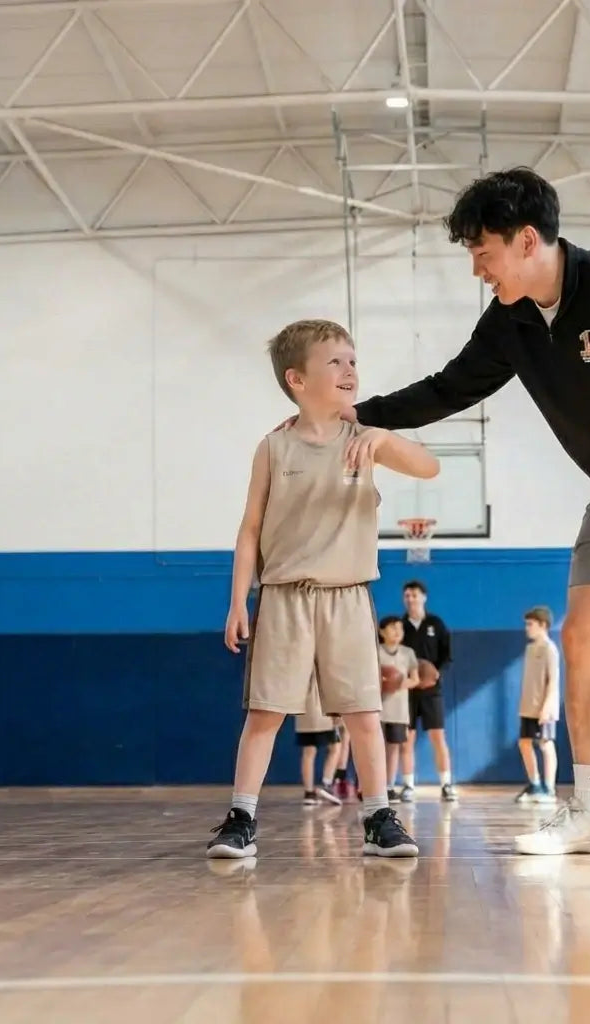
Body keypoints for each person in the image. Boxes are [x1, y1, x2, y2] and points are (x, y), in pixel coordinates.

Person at [348, 167, 590, 861]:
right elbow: (449, 388)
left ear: (527, 240)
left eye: (483, 252)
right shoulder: (511, 321)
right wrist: (356, 418)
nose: (478, 269)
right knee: (583, 640)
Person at [205, 318, 438, 860]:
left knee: (362, 712)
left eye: (353, 360)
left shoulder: (365, 439)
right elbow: (249, 530)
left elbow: (428, 466)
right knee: (265, 711)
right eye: (335, 361)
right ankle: (242, 818)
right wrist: (239, 599)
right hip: (284, 595)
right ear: (297, 380)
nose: (349, 370)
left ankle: (379, 815)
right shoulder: (273, 447)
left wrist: (384, 436)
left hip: (348, 594)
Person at [399, 580, 456, 802]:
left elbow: (447, 655)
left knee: (437, 737)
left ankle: (446, 783)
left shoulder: (436, 623)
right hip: (407, 690)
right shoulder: (399, 626)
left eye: (414, 595)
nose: (410, 599)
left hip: (432, 690)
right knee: (407, 739)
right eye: (407, 595)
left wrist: (436, 673)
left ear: (424, 597)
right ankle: (408, 785)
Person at [514, 605, 560, 805]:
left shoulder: (550, 649)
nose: (527, 628)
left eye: (530, 624)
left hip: (544, 708)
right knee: (524, 743)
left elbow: (554, 681)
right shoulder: (530, 648)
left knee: (546, 744)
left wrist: (547, 707)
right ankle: (535, 784)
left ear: (543, 625)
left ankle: (549, 789)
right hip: (528, 707)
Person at [376, 614, 420, 801]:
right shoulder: (375, 651)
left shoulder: (408, 653)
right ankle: (371, 786)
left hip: (398, 709)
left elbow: (416, 679)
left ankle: (389, 786)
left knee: (393, 748)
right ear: (381, 632)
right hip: (377, 708)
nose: (397, 631)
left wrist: (398, 684)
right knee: (375, 749)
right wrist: (382, 683)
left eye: (400, 628)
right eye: (393, 628)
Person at [294, 675, 344, 807]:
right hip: (323, 710)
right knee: (336, 747)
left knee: (308, 751)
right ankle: (326, 784)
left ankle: (309, 793)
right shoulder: (326, 658)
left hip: (304, 710)